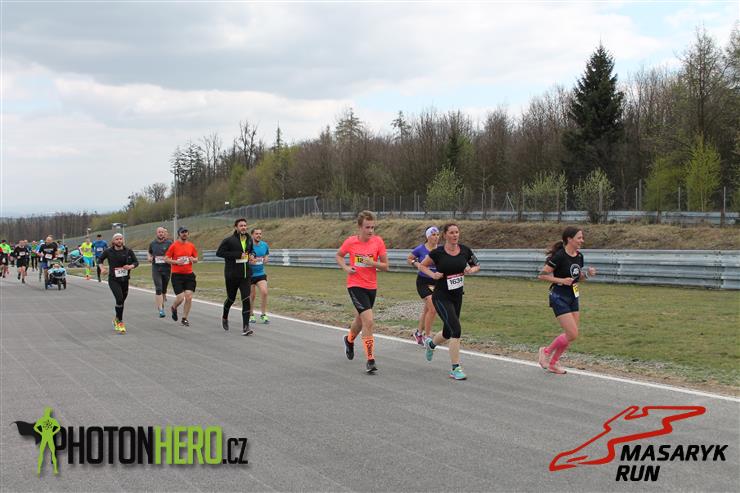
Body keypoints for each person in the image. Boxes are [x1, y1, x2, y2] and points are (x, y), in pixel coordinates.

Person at [417, 223, 480, 380]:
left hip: (457, 296)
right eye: (451, 232)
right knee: (456, 330)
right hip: (441, 296)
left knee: (447, 332)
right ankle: (455, 368)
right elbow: (422, 266)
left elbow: (476, 265)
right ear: (445, 235)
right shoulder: (437, 253)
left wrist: (470, 270)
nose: (455, 235)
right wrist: (433, 275)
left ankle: (431, 344)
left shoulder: (465, 250)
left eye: (457, 232)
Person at [537, 227, 597, 374]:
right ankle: (546, 352)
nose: (582, 240)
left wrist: (587, 275)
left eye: (582, 238)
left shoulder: (579, 256)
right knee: (572, 333)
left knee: (571, 335)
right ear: (569, 239)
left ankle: (553, 363)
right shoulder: (559, 256)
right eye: (579, 238)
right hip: (558, 296)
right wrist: (561, 280)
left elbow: (577, 278)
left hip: (573, 296)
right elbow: (542, 275)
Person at [336, 210, 389, 373]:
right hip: (355, 285)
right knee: (369, 321)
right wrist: (346, 268)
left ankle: (349, 340)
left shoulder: (378, 242)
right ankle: (370, 359)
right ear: (360, 227)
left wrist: (372, 263)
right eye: (367, 227)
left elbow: (386, 266)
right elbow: (339, 256)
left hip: (371, 286)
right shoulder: (351, 242)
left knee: (360, 320)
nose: (370, 230)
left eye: (373, 227)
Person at [216, 218, 255, 335]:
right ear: (236, 227)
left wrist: (252, 255)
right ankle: (225, 317)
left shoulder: (249, 239)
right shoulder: (229, 240)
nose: (243, 227)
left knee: (246, 299)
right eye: (241, 226)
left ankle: (246, 327)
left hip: (245, 275)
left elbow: (251, 251)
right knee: (231, 299)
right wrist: (237, 255)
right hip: (232, 275)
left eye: (245, 225)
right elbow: (219, 253)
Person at [98, 233, 139, 334]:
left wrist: (130, 266)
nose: (119, 241)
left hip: (125, 280)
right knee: (119, 299)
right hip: (113, 280)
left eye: (121, 239)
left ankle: (116, 318)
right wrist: (102, 268)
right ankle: (120, 322)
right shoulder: (108, 251)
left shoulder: (128, 251)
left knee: (121, 302)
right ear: (113, 241)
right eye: (117, 239)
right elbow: (100, 260)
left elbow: (136, 262)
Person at [407, 226, 440, 345]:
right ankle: (428, 336)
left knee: (427, 310)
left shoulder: (441, 249)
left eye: (437, 235)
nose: (436, 237)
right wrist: (415, 263)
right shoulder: (420, 249)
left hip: (436, 282)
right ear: (428, 236)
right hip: (423, 282)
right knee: (433, 308)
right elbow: (409, 258)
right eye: (433, 235)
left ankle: (419, 333)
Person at [165, 226, 198, 327]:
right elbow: (166, 259)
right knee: (180, 298)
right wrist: (176, 262)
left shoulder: (191, 246)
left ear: (188, 234)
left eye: (186, 232)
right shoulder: (174, 246)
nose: (184, 234)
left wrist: (193, 259)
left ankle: (184, 318)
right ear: (179, 234)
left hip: (189, 275)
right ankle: (174, 307)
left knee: (189, 296)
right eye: (182, 232)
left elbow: (196, 258)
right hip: (177, 275)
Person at [147, 227, 172, 317]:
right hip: (156, 268)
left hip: (166, 268)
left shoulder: (169, 243)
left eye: (162, 232)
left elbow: (174, 253)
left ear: (164, 233)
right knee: (158, 288)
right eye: (159, 232)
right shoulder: (152, 243)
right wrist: (149, 257)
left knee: (164, 289)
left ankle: (163, 296)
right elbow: (149, 252)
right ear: (156, 233)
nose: (161, 233)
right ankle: (160, 309)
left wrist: (170, 259)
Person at [249, 227, 270, 324]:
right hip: (249, 274)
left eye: (260, 234)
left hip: (260, 273)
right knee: (252, 295)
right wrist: (250, 260)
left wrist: (266, 258)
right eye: (256, 234)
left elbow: (266, 254)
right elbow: (243, 257)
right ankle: (251, 315)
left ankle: (263, 314)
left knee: (264, 292)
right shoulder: (248, 245)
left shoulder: (264, 245)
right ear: (252, 235)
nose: (259, 235)